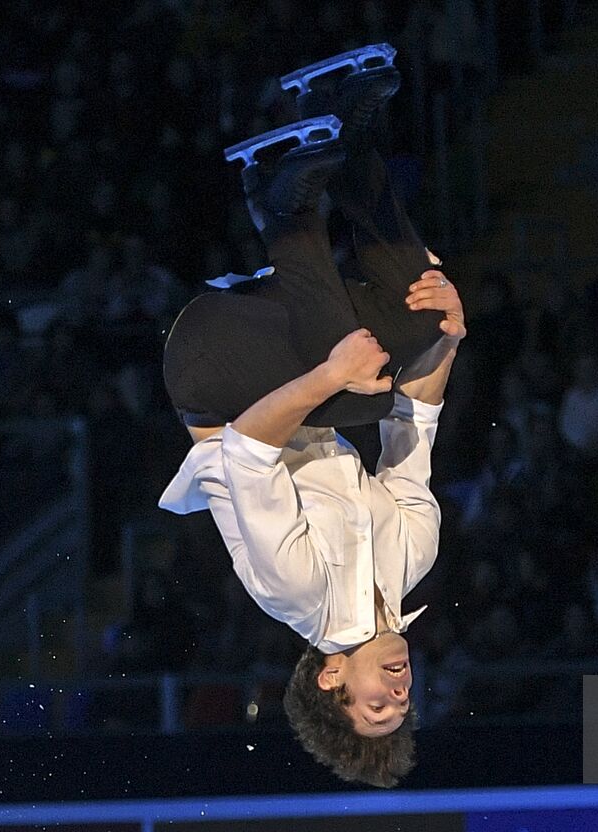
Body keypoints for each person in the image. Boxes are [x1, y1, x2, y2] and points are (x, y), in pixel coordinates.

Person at [157, 47, 465, 788]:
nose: (398, 689)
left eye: (377, 705)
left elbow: (246, 448)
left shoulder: (295, 592)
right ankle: (348, 130)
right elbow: (415, 423)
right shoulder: (412, 557)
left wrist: (332, 375)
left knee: (361, 393)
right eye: (404, 702)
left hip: (210, 367)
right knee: (419, 322)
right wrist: (451, 332)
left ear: (332, 678)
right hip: (292, 341)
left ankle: (280, 202)